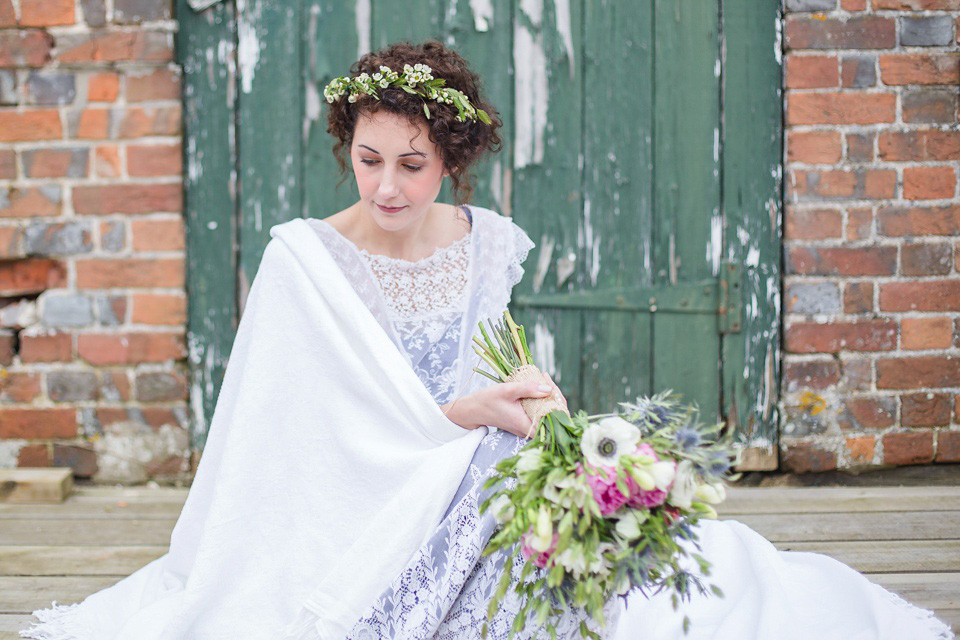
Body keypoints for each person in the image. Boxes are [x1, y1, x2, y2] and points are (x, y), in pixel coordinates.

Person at [20, 40, 952, 640]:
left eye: (413, 166)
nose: (388, 187)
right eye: (370, 159)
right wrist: (459, 414)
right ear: (349, 149)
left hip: (473, 461)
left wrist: (528, 397)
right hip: (361, 498)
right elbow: (287, 435)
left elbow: (489, 361)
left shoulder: (481, 242)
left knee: (621, 555)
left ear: (451, 163)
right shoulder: (304, 260)